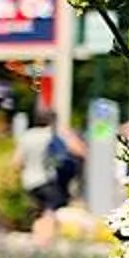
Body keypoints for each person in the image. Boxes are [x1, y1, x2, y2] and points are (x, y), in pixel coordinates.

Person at [19, 104, 83, 242]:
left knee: (41, 210)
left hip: (28, 182)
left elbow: (17, 161)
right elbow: (78, 150)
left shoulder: (27, 135)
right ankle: (43, 240)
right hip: (46, 180)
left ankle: (37, 238)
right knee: (51, 209)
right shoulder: (53, 134)